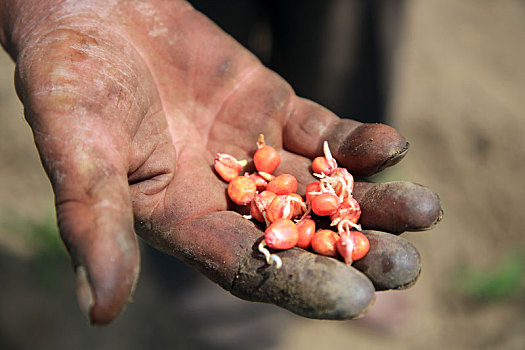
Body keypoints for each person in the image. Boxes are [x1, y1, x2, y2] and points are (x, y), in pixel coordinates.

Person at [0, 0, 441, 328]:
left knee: (344, 73)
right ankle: (227, 319)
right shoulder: (262, 187)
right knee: (200, 231)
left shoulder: (274, 186)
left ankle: (339, 255)